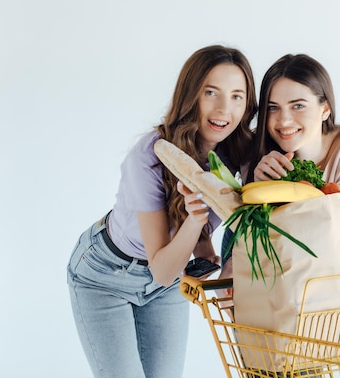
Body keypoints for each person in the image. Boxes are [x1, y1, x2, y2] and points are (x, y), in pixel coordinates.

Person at [67, 45, 257, 378]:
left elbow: (186, 255)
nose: (224, 109)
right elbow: (163, 269)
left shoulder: (237, 153)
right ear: (191, 95)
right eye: (210, 92)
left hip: (165, 282)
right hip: (106, 275)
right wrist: (196, 217)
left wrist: (208, 252)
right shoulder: (150, 157)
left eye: (237, 96)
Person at [220, 53, 340, 277]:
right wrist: (260, 188)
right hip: (260, 259)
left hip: (314, 266)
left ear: (325, 109)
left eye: (298, 106)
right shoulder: (256, 150)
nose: (283, 120)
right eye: (273, 108)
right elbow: (248, 237)